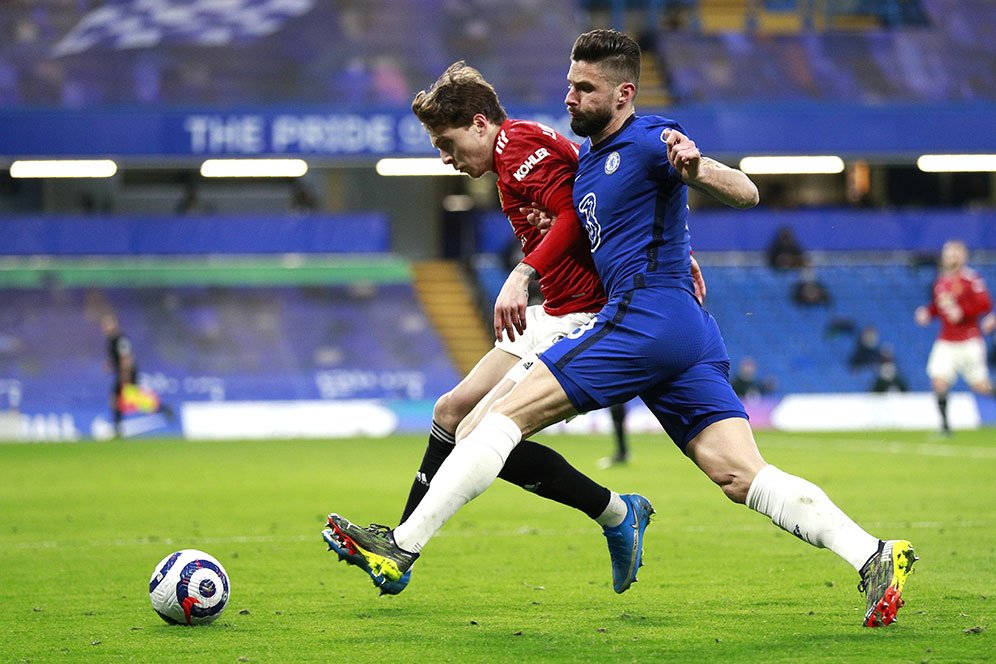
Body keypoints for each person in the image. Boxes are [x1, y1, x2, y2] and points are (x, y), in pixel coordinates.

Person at [325, 30, 916, 628]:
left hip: (644, 317)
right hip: (679, 326)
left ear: (624, 93)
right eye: (569, 85)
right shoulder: (585, 168)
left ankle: (403, 547)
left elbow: (747, 190)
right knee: (740, 476)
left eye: (585, 89)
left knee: (497, 420)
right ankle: (872, 555)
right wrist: (678, 249)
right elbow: (619, 229)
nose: (571, 98)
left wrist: (697, 168)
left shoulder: (647, 139)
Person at [323, 61, 705, 596]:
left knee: (481, 429)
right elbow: (591, 204)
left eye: (448, 142)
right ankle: (399, 545)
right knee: (451, 412)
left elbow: (575, 215)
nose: (445, 157)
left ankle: (610, 512)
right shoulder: (513, 157)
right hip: (557, 306)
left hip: (583, 312)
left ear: (481, 123)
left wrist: (523, 273)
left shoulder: (520, 147)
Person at [914, 239, 996, 436]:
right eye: (948, 254)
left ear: (962, 257)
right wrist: (928, 313)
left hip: (969, 340)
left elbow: (984, 304)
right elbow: (939, 306)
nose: (950, 258)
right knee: (938, 381)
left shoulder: (971, 279)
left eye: (954, 254)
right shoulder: (941, 281)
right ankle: (944, 427)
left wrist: (964, 312)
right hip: (946, 340)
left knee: (981, 386)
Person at [101, 313, 172, 438]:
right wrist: (111, 365)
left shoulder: (120, 339)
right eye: (105, 325)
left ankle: (162, 409)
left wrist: (125, 376)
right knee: (123, 399)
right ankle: (118, 429)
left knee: (131, 400)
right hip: (122, 373)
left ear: (115, 324)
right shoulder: (111, 341)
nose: (106, 327)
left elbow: (126, 359)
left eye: (108, 324)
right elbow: (117, 359)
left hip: (127, 374)